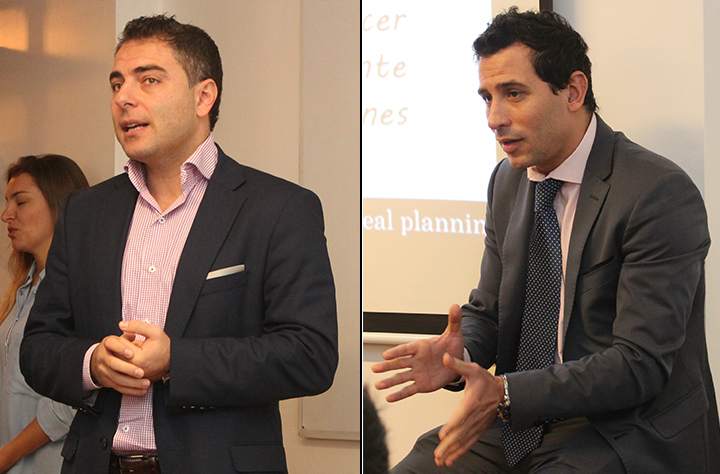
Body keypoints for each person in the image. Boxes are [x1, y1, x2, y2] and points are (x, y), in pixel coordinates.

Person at [372, 7, 720, 474]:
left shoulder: (656, 192)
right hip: (521, 418)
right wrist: (460, 353)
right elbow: (489, 314)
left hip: (623, 427)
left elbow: (640, 364)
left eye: (513, 94)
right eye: (487, 97)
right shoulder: (507, 181)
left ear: (573, 91)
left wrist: (507, 393)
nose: (494, 118)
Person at [19, 14, 338, 474]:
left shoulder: (279, 208)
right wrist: (92, 363)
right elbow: (38, 347)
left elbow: (311, 355)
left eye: (148, 79)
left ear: (203, 96)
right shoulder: (84, 211)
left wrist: (176, 361)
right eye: (117, 84)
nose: (123, 97)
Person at [0, 154, 88, 473]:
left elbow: (70, 402)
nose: (6, 215)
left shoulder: (81, 290)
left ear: (59, 205)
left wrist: (8, 455)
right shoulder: (21, 289)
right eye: (7, 202)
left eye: (20, 202)